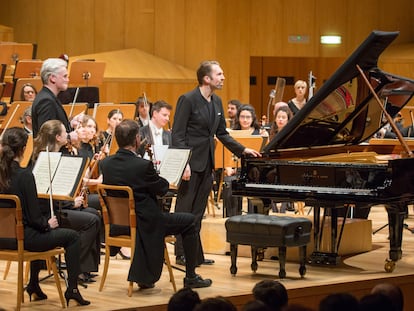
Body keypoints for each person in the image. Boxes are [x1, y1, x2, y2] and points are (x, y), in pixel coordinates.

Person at [100, 119, 212, 289]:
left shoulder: (105, 164)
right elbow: (162, 189)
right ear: (137, 139)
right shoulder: (142, 165)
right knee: (189, 221)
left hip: (120, 225)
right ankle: (190, 276)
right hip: (146, 222)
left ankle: (147, 276)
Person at [172, 60, 261, 266]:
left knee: (198, 212)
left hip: (207, 163)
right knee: (184, 210)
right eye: (219, 74)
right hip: (190, 164)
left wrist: (242, 149)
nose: (223, 77)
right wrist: (183, 163)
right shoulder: (188, 99)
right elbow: (178, 135)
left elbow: (221, 133)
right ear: (206, 78)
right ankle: (181, 253)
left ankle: (195, 254)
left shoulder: (217, 101)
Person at [0, 127, 90, 306]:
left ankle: (34, 283)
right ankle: (72, 289)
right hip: (24, 239)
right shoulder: (25, 176)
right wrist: (48, 224)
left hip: (2, 239)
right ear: (23, 149)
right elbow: (35, 219)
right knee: (71, 237)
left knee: (39, 229)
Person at [32, 119, 101, 284]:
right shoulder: (46, 159)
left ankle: (85, 268)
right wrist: (72, 203)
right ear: (57, 137)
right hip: (49, 213)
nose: (69, 135)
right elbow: (47, 195)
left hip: (58, 207)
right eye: (65, 132)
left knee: (94, 213)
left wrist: (73, 201)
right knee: (91, 220)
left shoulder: (57, 154)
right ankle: (76, 270)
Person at [224, 104, 267, 217]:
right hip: (236, 170)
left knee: (256, 184)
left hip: (255, 171)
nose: (245, 120)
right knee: (229, 183)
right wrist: (228, 168)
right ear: (238, 118)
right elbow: (226, 154)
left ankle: (254, 218)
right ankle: (232, 218)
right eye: (242, 117)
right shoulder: (231, 134)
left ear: (253, 119)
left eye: (248, 117)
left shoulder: (260, 133)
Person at [31, 58, 82, 145]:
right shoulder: (46, 101)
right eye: (65, 76)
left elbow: (55, 127)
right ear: (53, 78)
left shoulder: (49, 97)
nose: (68, 80)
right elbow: (47, 135)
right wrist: (69, 137)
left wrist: (69, 124)